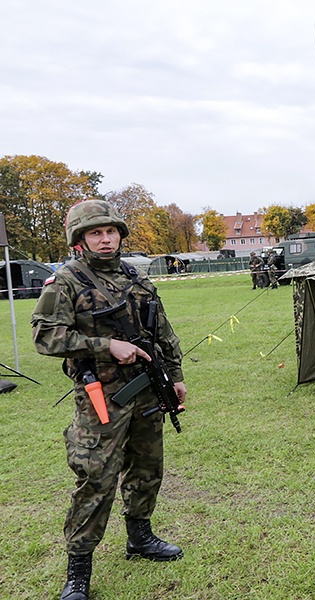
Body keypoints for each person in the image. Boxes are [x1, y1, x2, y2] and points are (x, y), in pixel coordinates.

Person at [31, 200, 187, 600]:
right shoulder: (66, 281)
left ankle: (140, 538)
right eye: (95, 233)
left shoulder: (136, 277)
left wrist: (176, 378)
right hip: (102, 396)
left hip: (149, 389)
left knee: (148, 467)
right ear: (80, 240)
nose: (105, 239)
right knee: (96, 478)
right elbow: (45, 337)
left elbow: (163, 333)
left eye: (111, 232)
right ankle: (78, 572)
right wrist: (106, 345)